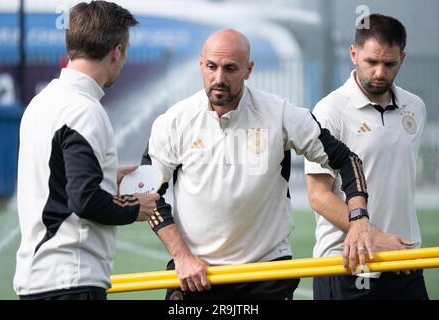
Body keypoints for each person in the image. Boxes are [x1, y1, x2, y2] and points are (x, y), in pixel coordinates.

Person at [142, 28, 374, 300]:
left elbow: (347, 160)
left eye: (230, 68)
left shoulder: (280, 114)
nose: (219, 78)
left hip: (266, 272)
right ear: (200, 63)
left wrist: (358, 218)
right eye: (211, 66)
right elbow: (148, 193)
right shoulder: (174, 121)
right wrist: (181, 256)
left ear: (248, 69)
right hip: (195, 272)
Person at [14, 1, 159, 300]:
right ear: (116, 51)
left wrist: (106, 176)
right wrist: (136, 207)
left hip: (40, 279)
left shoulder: (42, 102)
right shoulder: (84, 110)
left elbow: (60, 180)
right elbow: (85, 199)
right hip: (70, 279)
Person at [304, 14, 429, 300]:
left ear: (403, 59)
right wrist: (373, 236)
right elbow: (318, 195)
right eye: (371, 62)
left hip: (404, 260)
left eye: (389, 64)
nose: (379, 73)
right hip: (347, 266)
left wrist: (391, 243)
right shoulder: (329, 111)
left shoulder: (415, 107)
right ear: (353, 54)